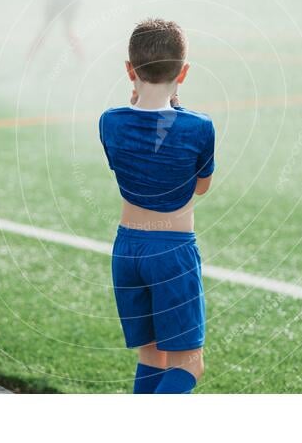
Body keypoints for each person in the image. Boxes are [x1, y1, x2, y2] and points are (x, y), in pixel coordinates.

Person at [98, 19, 215, 394]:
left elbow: (141, 146)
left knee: (151, 359)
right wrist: (176, 109)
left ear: (130, 70)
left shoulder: (109, 123)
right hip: (171, 252)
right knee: (189, 365)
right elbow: (200, 188)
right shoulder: (199, 127)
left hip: (127, 249)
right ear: (183, 73)